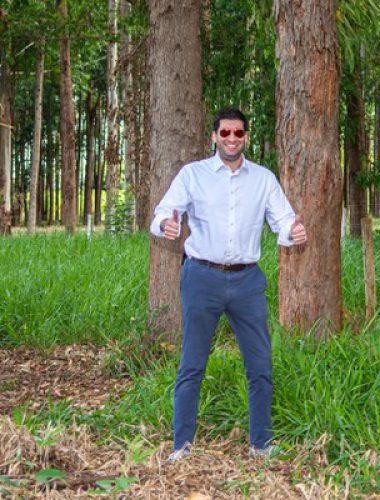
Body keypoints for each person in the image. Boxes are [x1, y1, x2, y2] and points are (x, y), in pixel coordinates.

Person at [150, 107, 307, 461]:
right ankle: (182, 446)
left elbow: (283, 219)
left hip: (247, 281)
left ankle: (261, 444)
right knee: (192, 364)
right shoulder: (193, 175)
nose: (231, 139)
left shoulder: (263, 179)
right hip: (201, 277)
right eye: (225, 133)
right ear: (214, 136)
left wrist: (293, 231)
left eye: (238, 133)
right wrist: (166, 225)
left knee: (260, 365)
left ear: (246, 137)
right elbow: (161, 214)